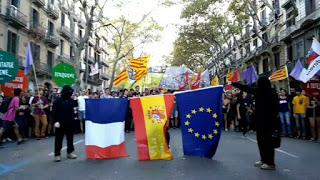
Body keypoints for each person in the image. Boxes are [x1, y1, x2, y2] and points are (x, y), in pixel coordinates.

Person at [232, 76, 280, 170]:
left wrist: (235, 84)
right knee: (261, 141)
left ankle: (270, 163)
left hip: (269, 122)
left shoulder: (270, 92)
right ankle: (263, 159)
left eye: (259, 82)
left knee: (268, 143)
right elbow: (247, 88)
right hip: (260, 121)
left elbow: (275, 109)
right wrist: (235, 84)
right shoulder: (261, 91)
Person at [52, 85, 78, 162]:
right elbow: (54, 112)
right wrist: (55, 121)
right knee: (58, 139)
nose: (70, 94)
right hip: (60, 123)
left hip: (70, 122)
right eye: (69, 92)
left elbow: (75, 110)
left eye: (71, 92)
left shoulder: (72, 101)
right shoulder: (57, 101)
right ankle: (57, 154)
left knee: (70, 139)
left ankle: (70, 152)